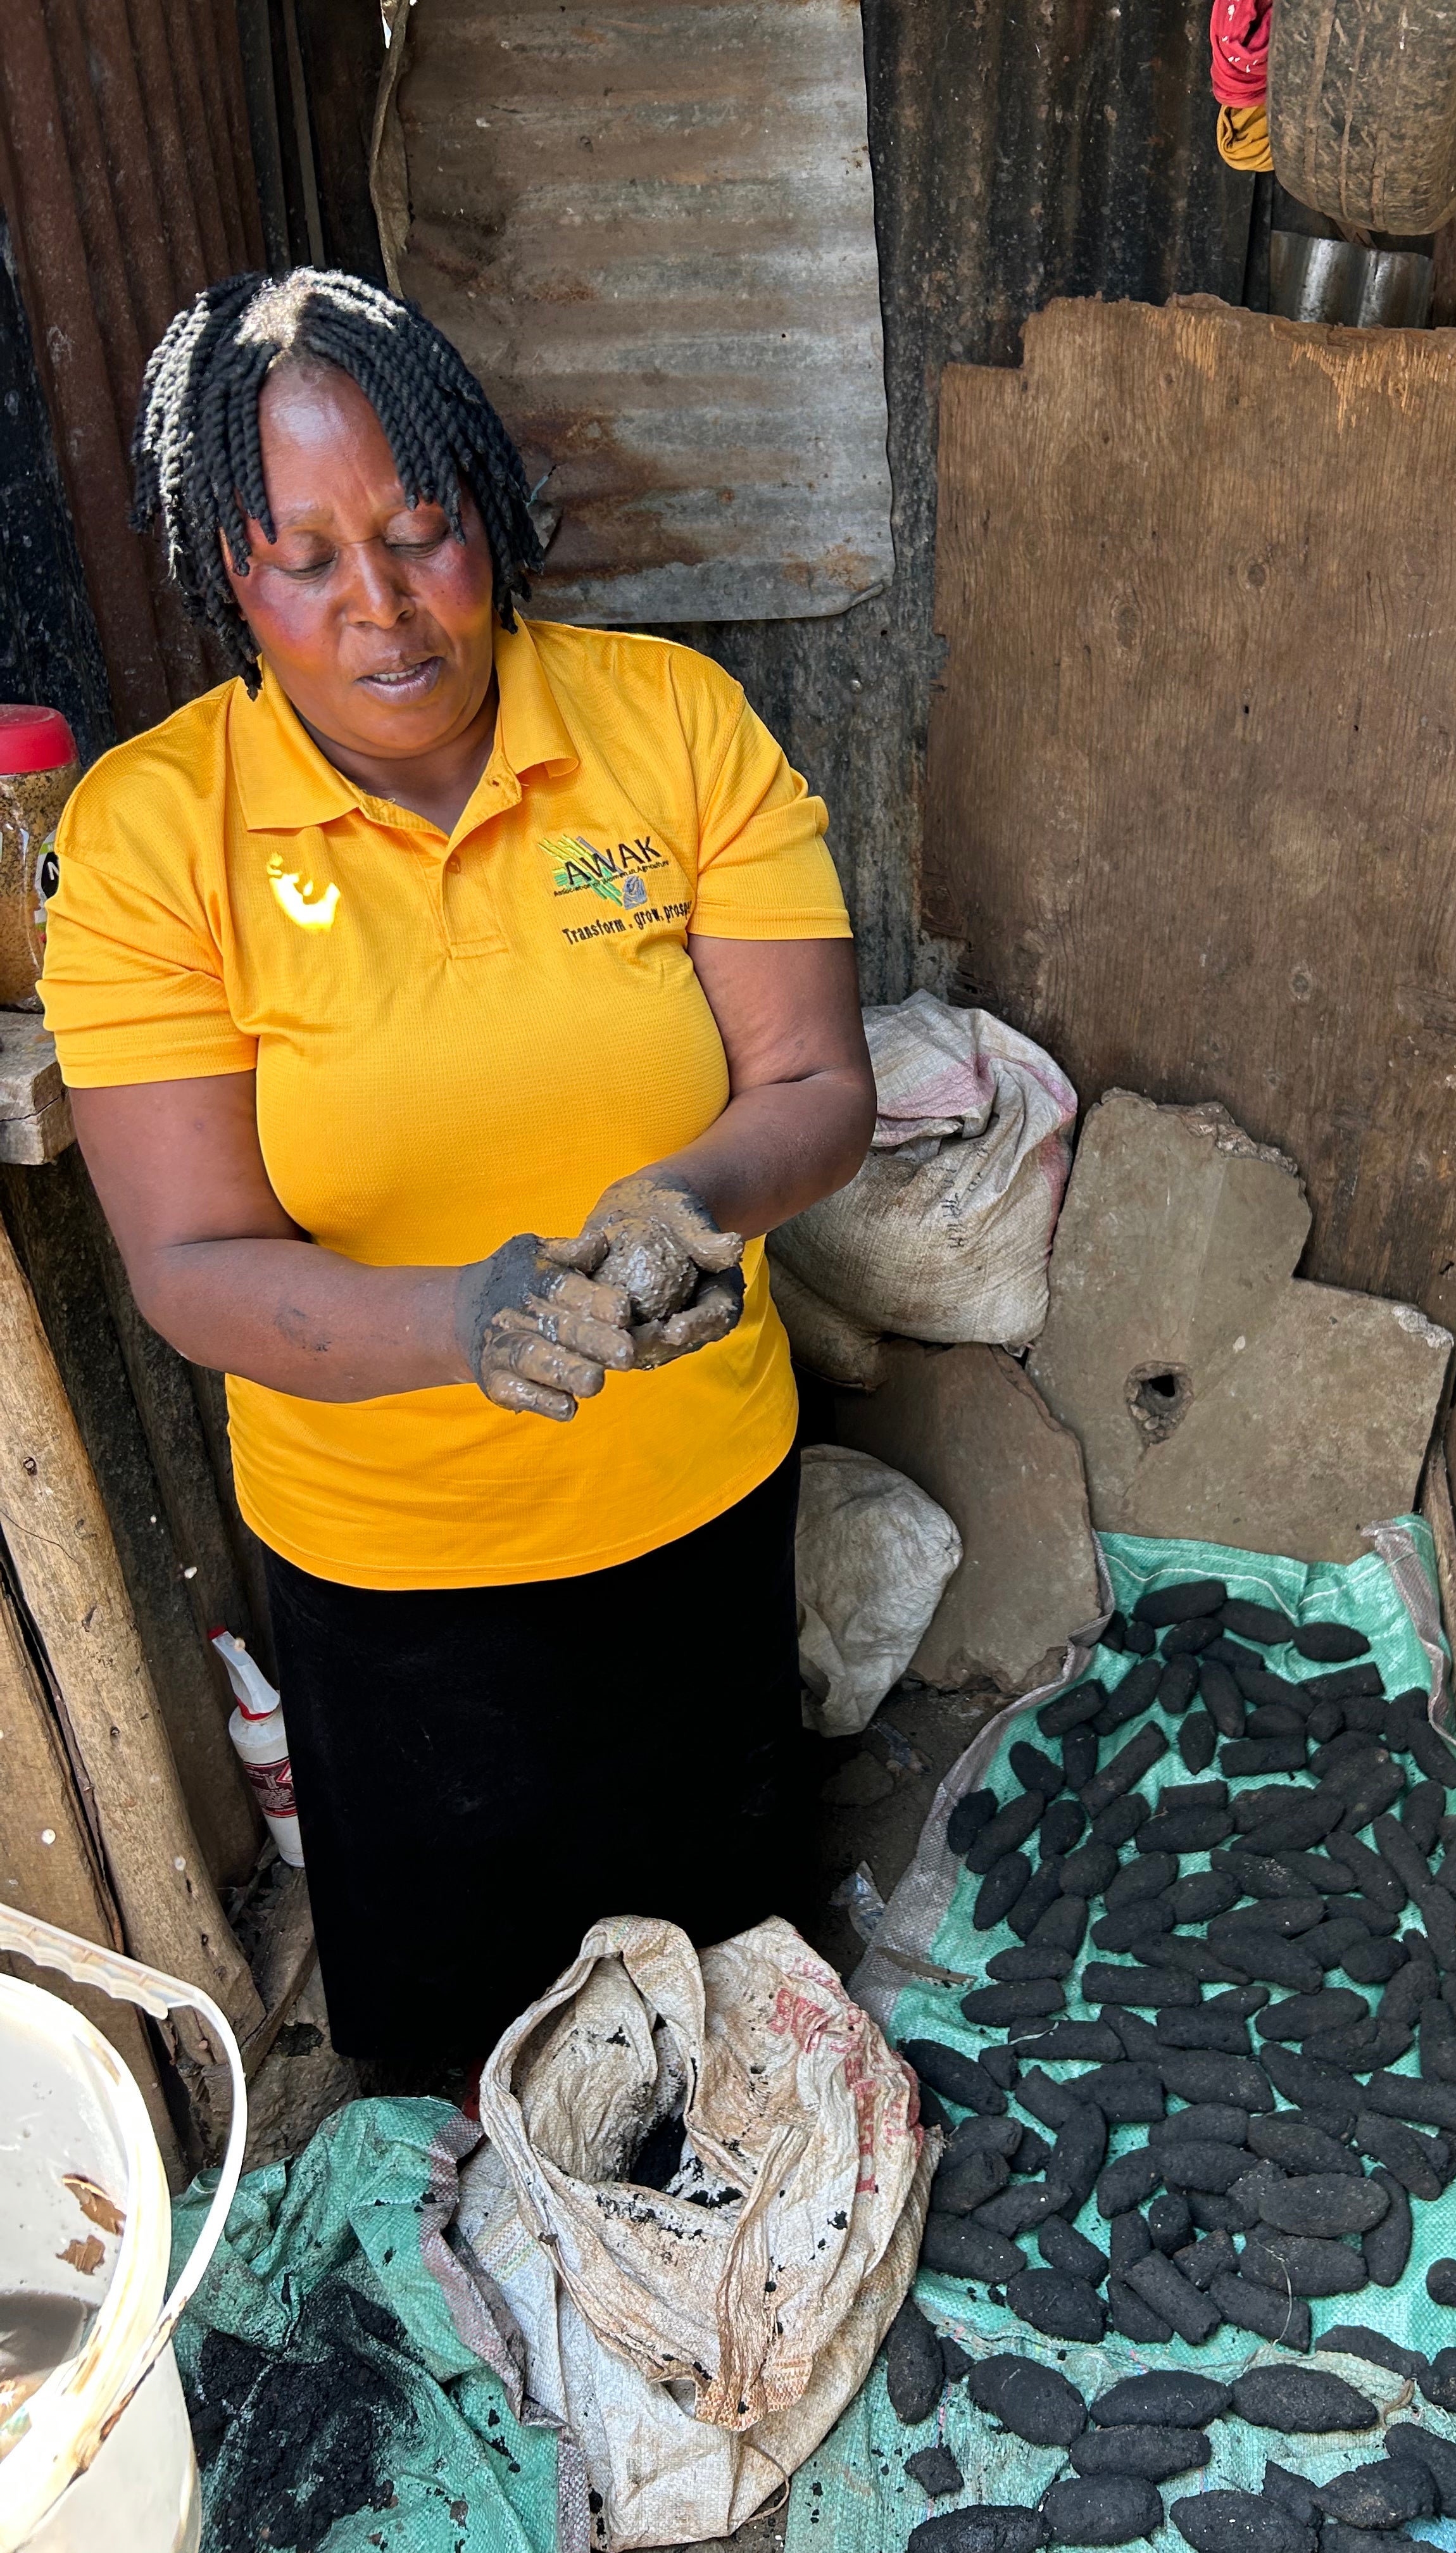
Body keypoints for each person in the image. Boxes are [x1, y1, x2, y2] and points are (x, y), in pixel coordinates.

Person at [39, 268, 875, 2062]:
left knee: (721, 2015)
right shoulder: (151, 840)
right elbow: (189, 1260)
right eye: (309, 559)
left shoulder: (669, 728)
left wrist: (690, 1203)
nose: (385, 608)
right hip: (394, 1581)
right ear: (226, 574)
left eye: (425, 531)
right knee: (469, 2054)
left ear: (490, 518)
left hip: (699, 1505)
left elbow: (813, 1081)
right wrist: (472, 1321)